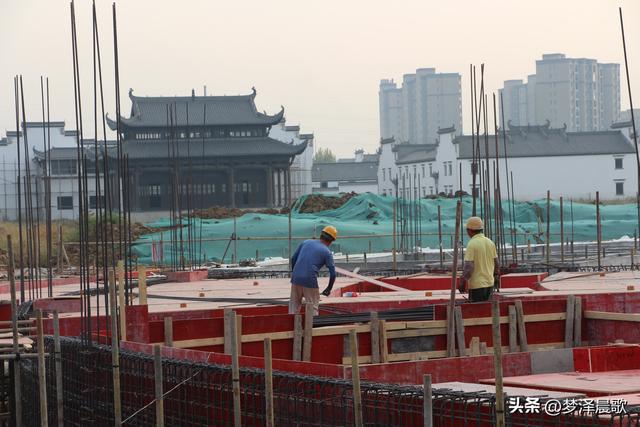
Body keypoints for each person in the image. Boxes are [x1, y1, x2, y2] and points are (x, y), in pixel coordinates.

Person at [289, 225, 337, 315]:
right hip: (309, 280)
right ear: (331, 241)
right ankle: (311, 327)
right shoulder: (327, 252)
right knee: (312, 308)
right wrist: (328, 289)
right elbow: (333, 274)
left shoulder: (306, 242)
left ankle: (293, 326)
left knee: (293, 307)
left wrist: (295, 273)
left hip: (295, 278)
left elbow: (293, 259)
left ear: (321, 235)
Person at [459, 217, 499, 302]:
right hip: (489, 284)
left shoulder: (472, 244)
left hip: (477, 286)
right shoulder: (490, 242)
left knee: (476, 310)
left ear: (469, 230)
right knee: (487, 311)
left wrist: (462, 281)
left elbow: (469, 267)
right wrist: (496, 277)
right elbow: (496, 263)